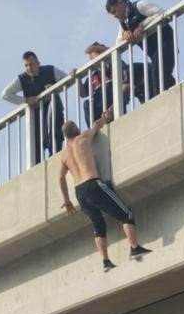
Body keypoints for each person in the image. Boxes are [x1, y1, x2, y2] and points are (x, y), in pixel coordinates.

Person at [58, 109, 152, 272]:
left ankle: (106, 261)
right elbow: (96, 126)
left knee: (98, 225)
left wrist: (67, 201)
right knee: (126, 213)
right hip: (93, 184)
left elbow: (60, 178)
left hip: (79, 192)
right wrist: (105, 117)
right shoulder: (83, 138)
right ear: (77, 130)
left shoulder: (64, 155)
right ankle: (134, 247)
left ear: (65, 137)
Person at [105, 0, 175, 97]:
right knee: (158, 77)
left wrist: (142, 26)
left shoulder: (139, 6)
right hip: (154, 53)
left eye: (114, 11)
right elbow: (118, 44)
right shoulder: (123, 23)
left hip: (165, 44)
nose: (114, 16)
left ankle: (162, 102)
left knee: (157, 76)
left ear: (120, 3)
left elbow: (163, 13)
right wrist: (125, 35)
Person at [2, 51, 66, 162]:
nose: (28, 68)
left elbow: (66, 80)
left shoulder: (50, 70)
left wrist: (55, 87)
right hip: (36, 118)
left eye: (31, 64)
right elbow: (5, 94)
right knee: (36, 147)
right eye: (26, 65)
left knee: (56, 139)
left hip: (54, 112)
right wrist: (25, 100)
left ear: (38, 63)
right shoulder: (22, 79)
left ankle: (55, 160)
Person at [73, 43, 146, 126]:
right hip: (100, 102)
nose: (92, 60)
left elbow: (126, 85)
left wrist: (95, 49)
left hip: (114, 99)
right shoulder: (93, 75)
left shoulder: (115, 63)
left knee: (118, 89)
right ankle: (95, 128)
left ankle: (107, 118)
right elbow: (83, 94)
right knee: (87, 104)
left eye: (94, 55)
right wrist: (77, 79)